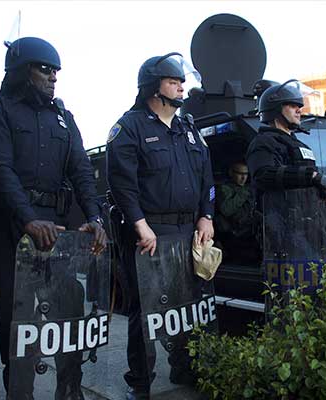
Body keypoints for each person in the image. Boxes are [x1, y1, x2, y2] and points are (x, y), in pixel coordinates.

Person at [0, 36, 107, 399]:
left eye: (56, 72)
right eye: (44, 69)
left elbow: (81, 169)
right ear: (21, 70)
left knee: (69, 310)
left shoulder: (64, 117)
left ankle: (70, 388)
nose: (53, 78)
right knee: (18, 320)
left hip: (59, 229)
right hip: (14, 229)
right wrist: (28, 220)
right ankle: (19, 392)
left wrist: (95, 216)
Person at [106, 52, 215, 400]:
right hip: (149, 233)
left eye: (182, 81)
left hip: (188, 232)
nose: (182, 87)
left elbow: (206, 177)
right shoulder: (130, 127)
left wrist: (206, 215)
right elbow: (121, 183)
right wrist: (139, 225)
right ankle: (139, 382)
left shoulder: (189, 129)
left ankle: (183, 366)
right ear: (153, 87)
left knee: (186, 305)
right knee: (147, 309)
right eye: (174, 81)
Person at [246, 79, 326, 202]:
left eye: (299, 106)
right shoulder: (264, 142)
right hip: (276, 217)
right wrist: (310, 176)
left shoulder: (301, 145)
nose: (299, 110)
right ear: (276, 109)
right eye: (293, 106)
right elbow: (263, 175)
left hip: (304, 214)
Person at [215, 161, 259, 263]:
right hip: (232, 236)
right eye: (240, 174)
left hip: (248, 234)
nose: (243, 178)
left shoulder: (248, 189)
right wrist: (244, 193)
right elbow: (227, 209)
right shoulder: (224, 189)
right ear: (231, 173)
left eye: (246, 174)